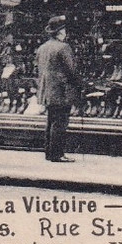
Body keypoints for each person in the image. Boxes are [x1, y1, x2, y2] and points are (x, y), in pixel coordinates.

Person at [36, 15, 80, 162]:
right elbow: (71, 70)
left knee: (51, 121)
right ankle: (57, 154)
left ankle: (49, 153)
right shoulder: (64, 47)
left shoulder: (42, 48)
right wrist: (78, 85)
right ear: (61, 32)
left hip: (47, 91)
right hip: (61, 91)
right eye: (64, 30)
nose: (66, 33)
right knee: (60, 122)